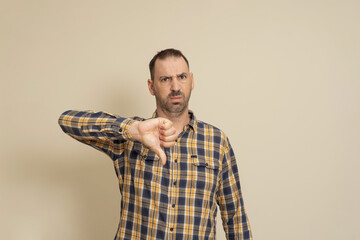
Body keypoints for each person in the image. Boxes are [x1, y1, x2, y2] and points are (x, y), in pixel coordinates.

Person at [58, 48, 252, 240]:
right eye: (165, 79)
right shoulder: (130, 137)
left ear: (191, 81)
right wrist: (132, 129)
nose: (175, 86)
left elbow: (235, 218)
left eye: (182, 77)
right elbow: (67, 121)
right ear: (151, 86)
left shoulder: (217, 142)